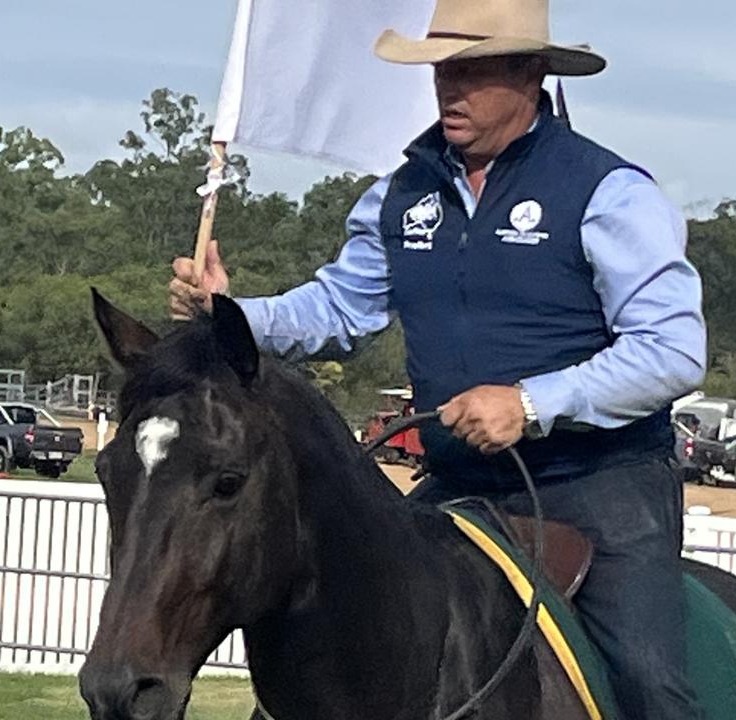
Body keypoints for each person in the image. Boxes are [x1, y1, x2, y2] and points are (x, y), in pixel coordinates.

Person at [168, 0, 706, 717]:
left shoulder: (609, 193)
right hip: (459, 482)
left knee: (648, 681)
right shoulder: (400, 194)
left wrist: (530, 403)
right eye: (442, 70)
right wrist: (230, 314)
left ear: (529, 74)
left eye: (473, 71)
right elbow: (340, 309)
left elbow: (672, 351)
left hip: (602, 485)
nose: (450, 88)